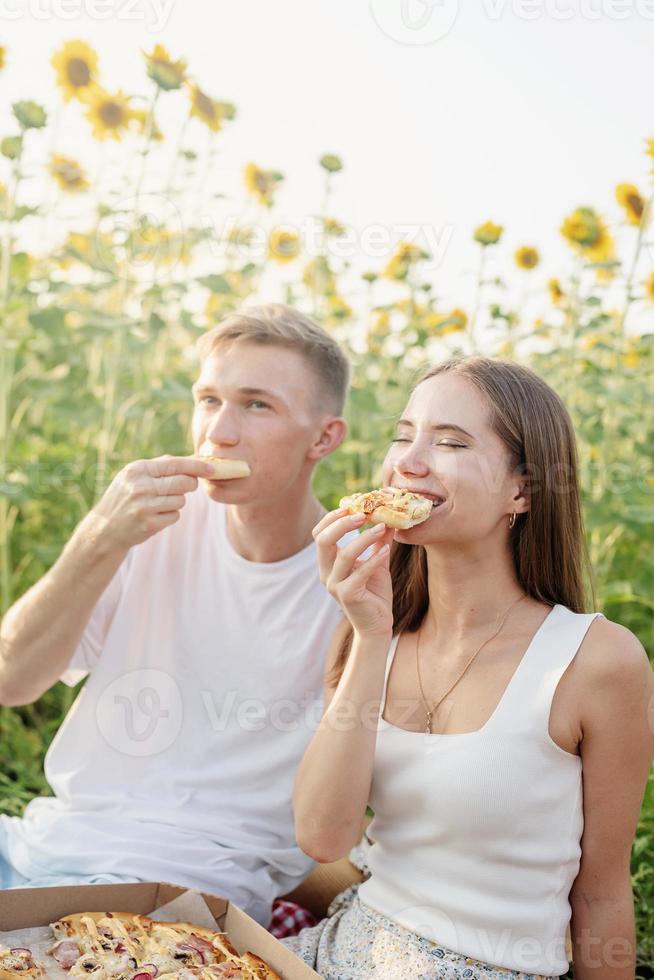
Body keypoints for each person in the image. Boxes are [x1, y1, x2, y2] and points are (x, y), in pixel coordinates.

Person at [287, 356, 654, 979]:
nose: (409, 460)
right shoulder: (369, 630)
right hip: (342, 948)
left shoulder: (597, 661)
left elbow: (602, 892)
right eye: (404, 435)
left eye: (451, 442)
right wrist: (370, 635)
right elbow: (323, 838)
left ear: (523, 490)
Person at [0, 303, 351, 927]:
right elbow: (12, 680)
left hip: (179, 886)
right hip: (39, 847)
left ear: (323, 438)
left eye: (256, 405)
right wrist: (97, 539)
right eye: (208, 399)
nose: (218, 431)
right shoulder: (149, 525)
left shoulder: (353, 580)